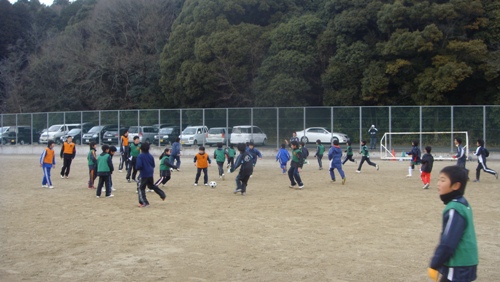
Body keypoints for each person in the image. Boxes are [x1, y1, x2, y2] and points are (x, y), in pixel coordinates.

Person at [428, 166, 478, 282]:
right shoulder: (463, 203)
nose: (438, 184)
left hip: (458, 264)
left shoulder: (454, 208)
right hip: (468, 262)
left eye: (443, 180)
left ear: (456, 186)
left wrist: (435, 264)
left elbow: (448, 242)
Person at [136, 142, 166, 207]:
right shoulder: (150, 156)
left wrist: (138, 168)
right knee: (150, 185)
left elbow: (139, 166)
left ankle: (144, 202)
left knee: (141, 188)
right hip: (150, 173)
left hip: (143, 174)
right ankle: (162, 194)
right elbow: (153, 165)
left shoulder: (140, 156)